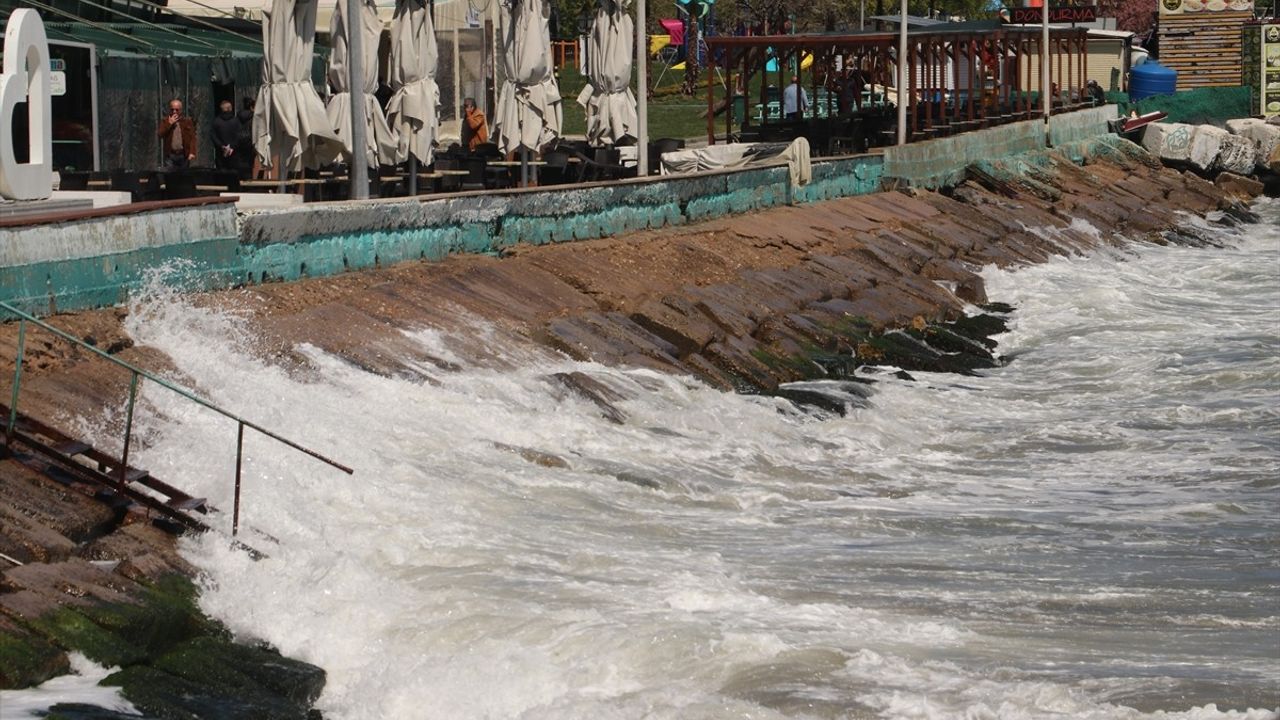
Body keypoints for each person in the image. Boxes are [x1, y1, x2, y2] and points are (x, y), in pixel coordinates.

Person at [156, 98, 197, 171]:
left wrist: (192, 152)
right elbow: (160, 134)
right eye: (172, 109)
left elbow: (192, 138)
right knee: (171, 177)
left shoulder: (187, 122)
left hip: (183, 154)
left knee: (183, 176)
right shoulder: (165, 121)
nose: (174, 112)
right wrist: (169, 124)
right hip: (170, 154)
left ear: (181, 110)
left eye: (177, 110)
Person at [210, 99, 241, 172]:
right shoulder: (236, 121)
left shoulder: (216, 121)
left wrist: (221, 146)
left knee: (221, 175)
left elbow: (213, 136)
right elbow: (239, 136)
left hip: (220, 154)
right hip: (234, 154)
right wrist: (232, 147)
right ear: (230, 109)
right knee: (233, 176)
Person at [235, 97, 256, 179]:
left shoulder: (237, 117)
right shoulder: (254, 118)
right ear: (251, 107)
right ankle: (248, 184)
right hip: (250, 143)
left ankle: (241, 182)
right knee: (249, 165)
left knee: (240, 165)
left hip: (239, 143)